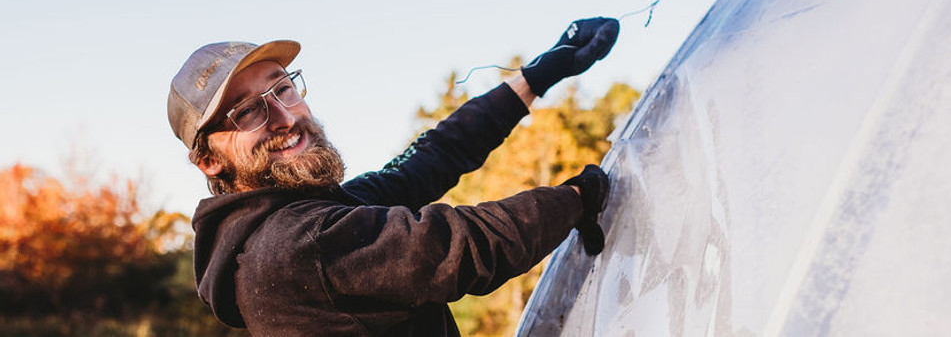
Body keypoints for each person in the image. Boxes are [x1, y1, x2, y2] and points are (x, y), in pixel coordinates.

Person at [166, 17, 619, 336]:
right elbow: (464, 244)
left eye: (282, 87)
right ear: (209, 161)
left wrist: (539, 74)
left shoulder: (312, 218)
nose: (285, 116)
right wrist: (579, 196)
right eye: (247, 112)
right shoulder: (294, 249)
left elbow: (429, 159)